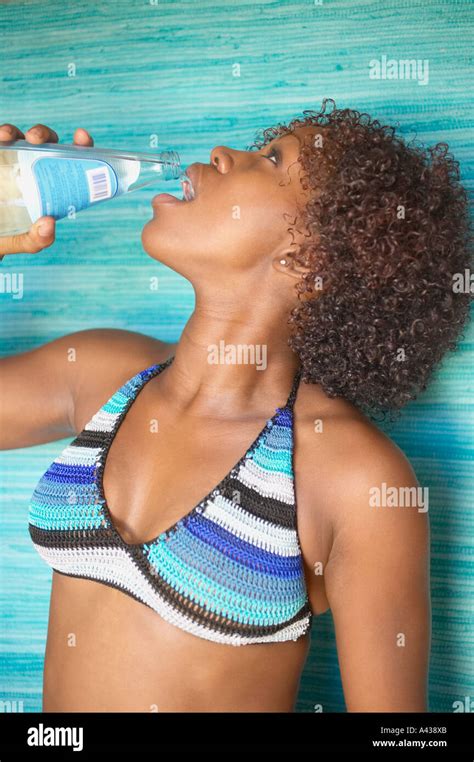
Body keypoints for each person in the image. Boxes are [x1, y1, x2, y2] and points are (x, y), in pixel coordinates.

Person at [0, 100, 470, 712]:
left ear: (308, 260)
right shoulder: (101, 375)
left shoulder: (351, 477)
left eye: (272, 159)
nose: (222, 154)